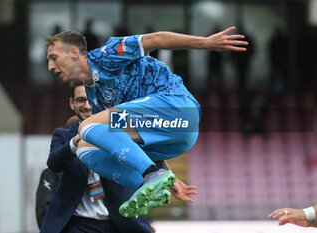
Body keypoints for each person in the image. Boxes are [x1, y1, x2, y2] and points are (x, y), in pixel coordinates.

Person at [45, 27, 247, 217]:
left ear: (74, 53)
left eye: (54, 58)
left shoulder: (106, 55)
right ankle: (154, 185)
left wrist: (205, 43)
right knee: (84, 147)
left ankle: (150, 174)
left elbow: (155, 39)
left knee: (86, 127)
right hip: (178, 138)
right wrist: (170, 177)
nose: (50, 67)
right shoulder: (96, 97)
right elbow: (132, 137)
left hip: (178, 109)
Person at [41, 81, 195, 232]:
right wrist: (76, 141)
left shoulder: (117, 129)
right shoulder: (62, 135)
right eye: (81, 100)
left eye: (90, 100)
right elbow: (54, 164)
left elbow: (146, 152)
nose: (87, 106)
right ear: (72, 103)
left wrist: (171, 180)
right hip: (77, 223)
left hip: (117, 221)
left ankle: (151, 191)